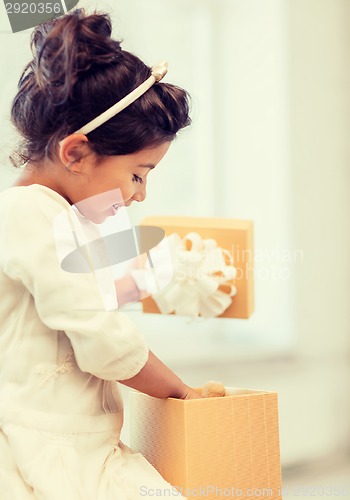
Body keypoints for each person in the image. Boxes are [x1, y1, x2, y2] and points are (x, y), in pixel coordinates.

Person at [0, 8, 202, 499]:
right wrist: (182, 393)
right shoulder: (30, 214)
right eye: (138, 173)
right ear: (75, 153)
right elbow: (102, 340)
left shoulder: (56, 217)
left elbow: (88, 301)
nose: (140, 195)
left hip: (84, 439)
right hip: (45, 447)